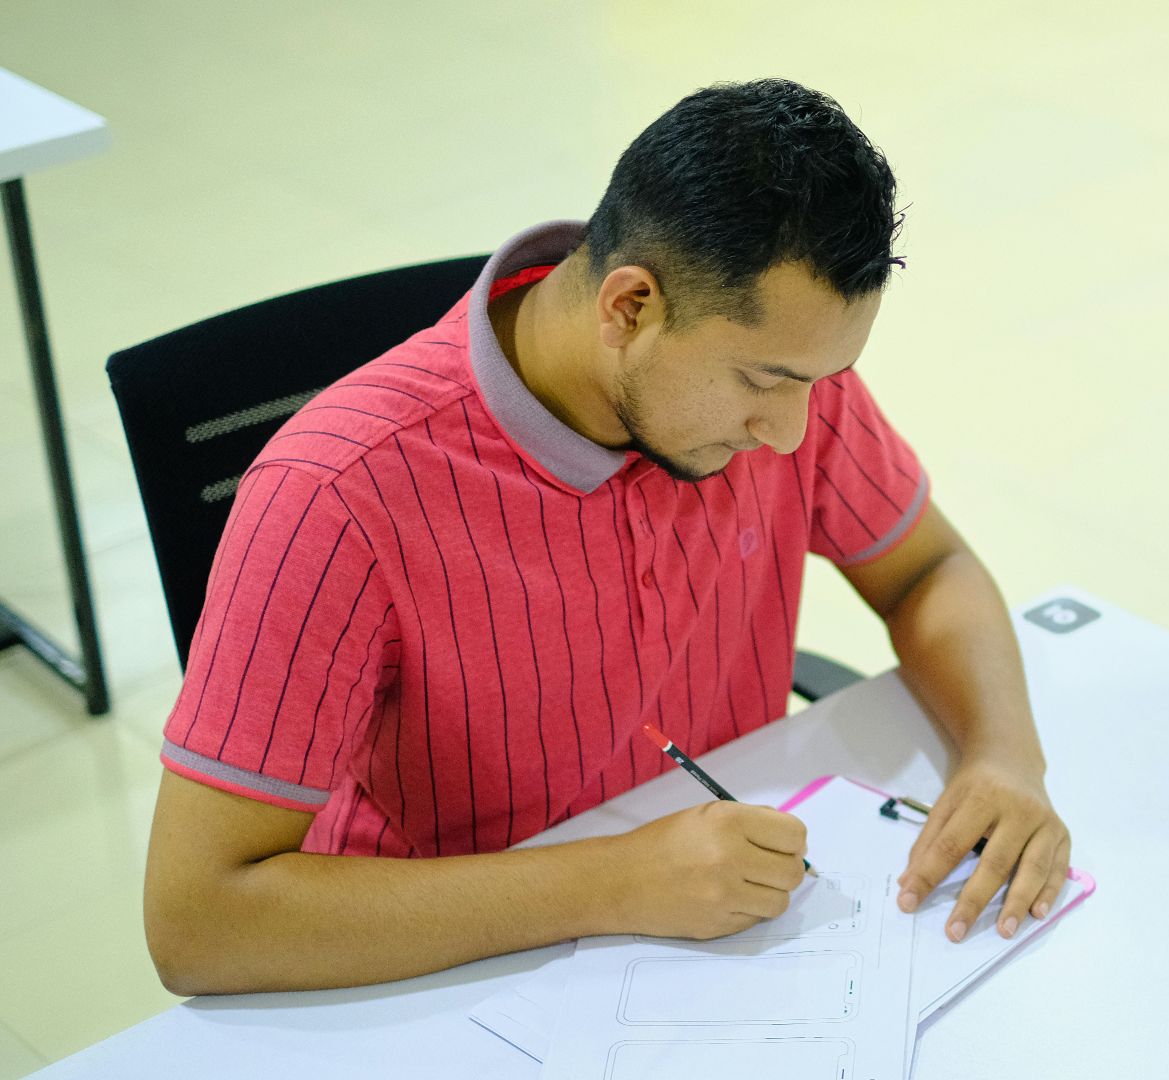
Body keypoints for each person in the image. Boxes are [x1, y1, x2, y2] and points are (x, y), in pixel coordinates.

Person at [143, 78, 1069, 996]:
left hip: (721, 934)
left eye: (818, 382)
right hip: (439, 975)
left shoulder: (788, 376)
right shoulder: (335, 493)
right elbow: (197, 922)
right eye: (762, 382)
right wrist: (615, 884)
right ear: (629, 307)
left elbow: (928, 569)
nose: (790, 432)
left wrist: (1003, 755)